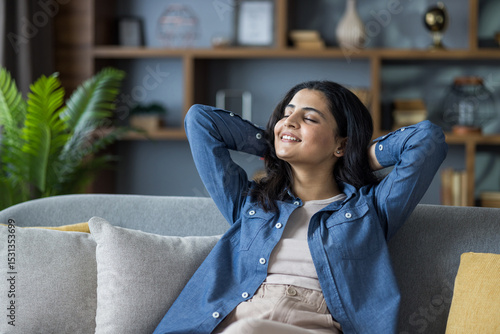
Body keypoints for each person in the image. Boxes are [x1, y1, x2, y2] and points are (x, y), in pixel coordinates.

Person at [153, 80, 448, 334]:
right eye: (286, 113)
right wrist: (274, 144)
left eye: (310, 118)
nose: (290, 121)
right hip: (237, 321)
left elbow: (427, 139)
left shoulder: (369, 210)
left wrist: (358, 156)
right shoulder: (251, 204)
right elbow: (200, 120)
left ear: (340, 145)